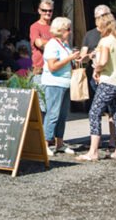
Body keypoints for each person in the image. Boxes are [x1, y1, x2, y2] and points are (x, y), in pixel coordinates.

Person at [78, 11, 116, 162]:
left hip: (109, 81)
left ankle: (93, 152)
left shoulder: (106, 40)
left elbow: (104, 61)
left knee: (94, 112)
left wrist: (96, 70)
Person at [42, 17, 81, 156]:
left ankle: (59, 143)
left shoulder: (63, 44)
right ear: (61, 30)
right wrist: (70, 58)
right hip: (54, 83)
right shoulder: (52, 44)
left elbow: (64, 63)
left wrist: (75, 58)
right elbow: (52, 67)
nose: (70, 32)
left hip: (64, 82)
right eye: (68, 29)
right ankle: (45, 143)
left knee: (62, 115)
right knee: (53, 114)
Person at [30, 0, 55, 75]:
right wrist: (55, 45)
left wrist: (45, 43)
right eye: (44, 10)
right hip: (39, 68)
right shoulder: (35, 26)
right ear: (39, 11)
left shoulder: (55, 27)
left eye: (50, 10)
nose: (47, 13)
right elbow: (39, 43)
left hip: (54, 66)